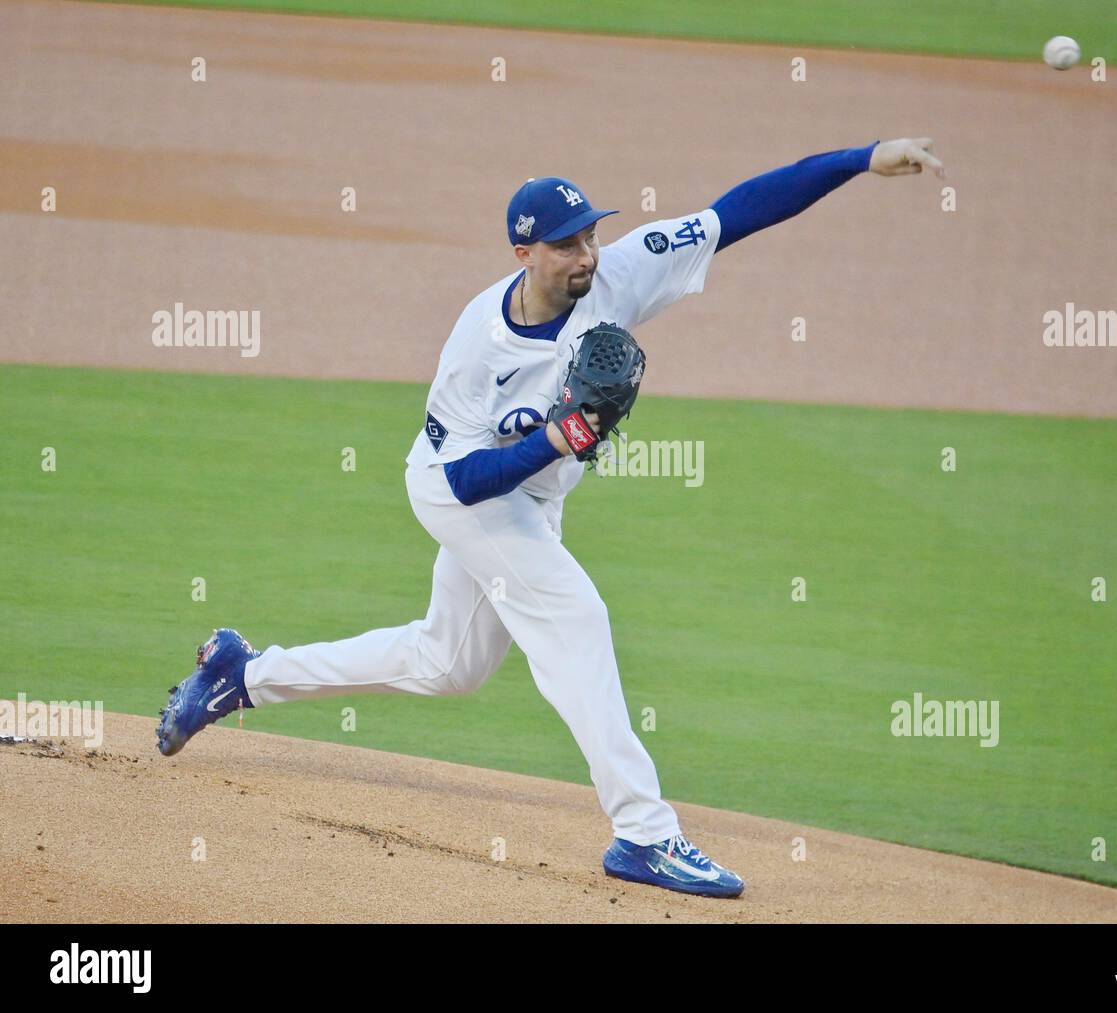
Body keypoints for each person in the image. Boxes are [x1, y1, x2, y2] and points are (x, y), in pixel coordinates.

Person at [156, 138, 945, 899]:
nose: (587, 255)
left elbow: (735, 212)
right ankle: (644, 830)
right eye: (567, 244)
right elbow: (465, 480)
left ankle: (241, 675)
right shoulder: (476, 347)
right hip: (458, 491)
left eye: (591, 235)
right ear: (523, 253)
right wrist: (560, 438)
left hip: (531, 498)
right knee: (576, 616)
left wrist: (861, 157)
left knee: (448, 663)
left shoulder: (617, 276)